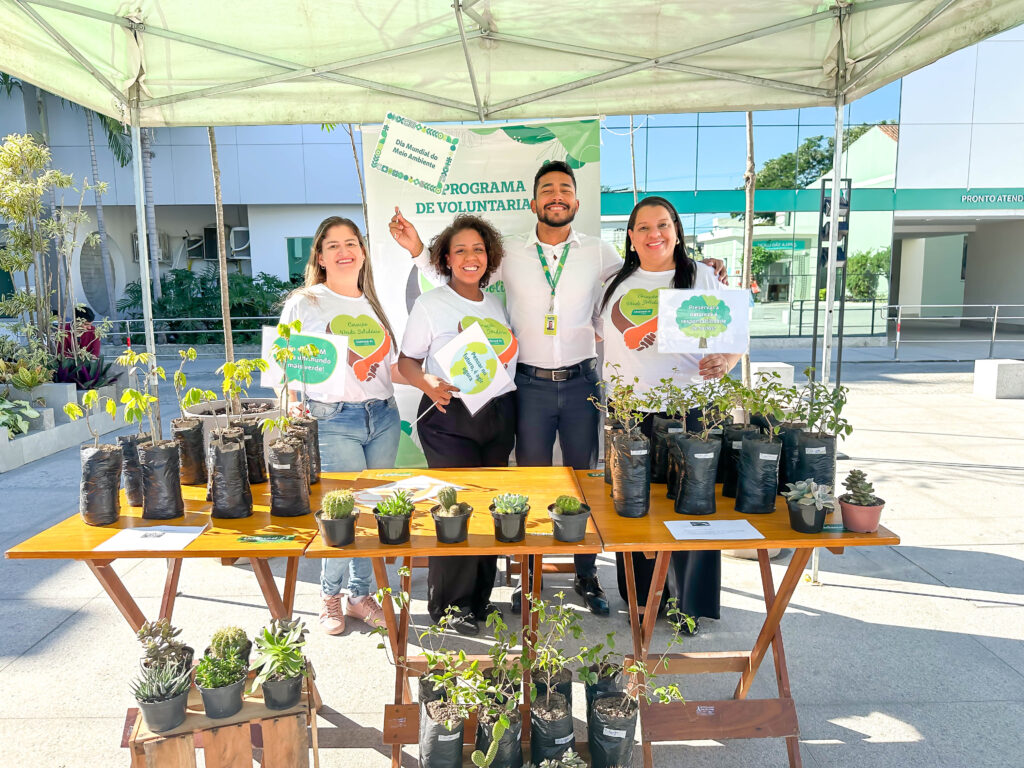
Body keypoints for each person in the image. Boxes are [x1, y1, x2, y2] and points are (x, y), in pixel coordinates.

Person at [390, 160, 728, 616]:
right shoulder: (507, 251)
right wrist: (416, 251)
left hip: (582, 383)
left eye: (565, 189)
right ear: (534, 202)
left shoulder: (601, 252)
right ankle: (527, 575)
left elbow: (651, 266)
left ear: (577, 201)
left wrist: (704, 265)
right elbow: (460, 279)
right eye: (547, 189)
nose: (556, 195)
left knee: (584, 479)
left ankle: (586, 574)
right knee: (529, 480)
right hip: (526, 386)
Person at [597, 196, 741, 633]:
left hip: (690, 409)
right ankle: (641, 597)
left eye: (662, 224)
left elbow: (733, 335)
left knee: (693, 510)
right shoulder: (613, 280)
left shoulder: (700, 276)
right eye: (643, 226)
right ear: (630, 235)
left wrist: (727, 362)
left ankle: (688, 603)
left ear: (676, 230)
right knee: (633, 507)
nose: (653, 234)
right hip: (629, 411)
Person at [279, 216, 400, 636]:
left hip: (383, 417)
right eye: (333, 245)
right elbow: (288, 362)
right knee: (341, 514)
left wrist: (430, 378)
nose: (344, 250)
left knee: (371, 511)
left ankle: (358, 595)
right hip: (333, 419)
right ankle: (329, 595)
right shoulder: (306, 302)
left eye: (352, 242)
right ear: (321, 256)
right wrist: (294, 403)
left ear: (363, 253)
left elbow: (390, 366)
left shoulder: (372, 303)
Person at [398, 214, 516, 636]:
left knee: (489, 510)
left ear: (490, 257)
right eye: (461, 250)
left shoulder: (496, 305)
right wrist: (427, 381)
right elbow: (406, 361)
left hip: (497, 415)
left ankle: (481, 599)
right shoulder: (431, 304)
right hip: (448, 417)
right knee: (455, 512)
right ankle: (448, 606)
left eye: (478, 250)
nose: (471, 257)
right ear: (446, 258)